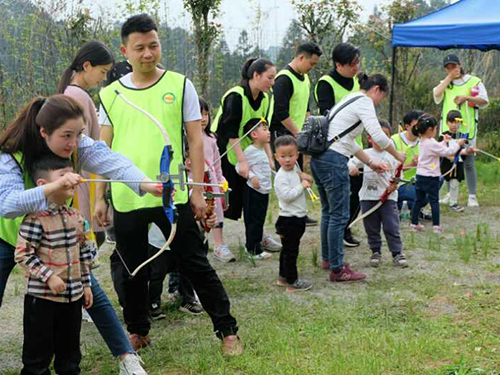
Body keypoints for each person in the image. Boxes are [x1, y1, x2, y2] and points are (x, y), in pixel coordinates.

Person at [97, 14, 241, 355]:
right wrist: (100, 196)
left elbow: (195, 140)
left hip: (171, 192)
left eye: (154, 45)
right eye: (140, 48)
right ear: (125, 51)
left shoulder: (179, 85)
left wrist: (195, 190)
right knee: (134, 269)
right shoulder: (110, 94)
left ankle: (227, 329)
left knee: (194, 261)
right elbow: (103, 150)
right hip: (127, 195)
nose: (148, 54)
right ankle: (138, 329)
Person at [0, 94, 155, 374]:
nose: (74, 143)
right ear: (43, 132)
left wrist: (145, 183)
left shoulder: (77, 145)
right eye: (67, 136)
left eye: (79, 134)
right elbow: (8, 205)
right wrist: (53, 187)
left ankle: (126, 357)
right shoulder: (11, 153)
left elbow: (112, 162)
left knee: (92, 293)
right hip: (7, 237)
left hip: (59, 238)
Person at [310, 73, 406, 282]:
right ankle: (337, 269)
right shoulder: (364, 102)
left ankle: (329, 259)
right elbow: (379, 136)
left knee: (329, 212)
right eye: (381, 96)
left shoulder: (349, 99)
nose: (379, 102)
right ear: (376, 90)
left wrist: (371, 163)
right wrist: (397, 155)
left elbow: (348, 141)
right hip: (334, 160)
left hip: (319, 157)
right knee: (339, 215)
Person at [15, 155, 93, 375]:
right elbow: (23, 254)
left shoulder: (76, 217)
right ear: (43, 185)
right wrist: (49, 276)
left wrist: (85, 285)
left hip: (73, 298)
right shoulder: (35, 219)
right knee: (37, 356)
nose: (72, 180)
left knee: (70, 355)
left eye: (72, 174)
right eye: (62, 176)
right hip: (42, 301)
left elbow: (84, 253)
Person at [211, 57, 281, 253]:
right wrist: (242, 162)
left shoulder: (267, 98)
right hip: (226, 154)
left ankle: (256, 237)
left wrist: (269, 158)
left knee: (254, 200)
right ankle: (218, 244)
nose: (273, 82)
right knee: (222, 201)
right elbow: (231, 133)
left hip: (251, 155)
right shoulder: (236, 96)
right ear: (255, 75)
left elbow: (264, 129)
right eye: (270, 77)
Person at [56, 40, 115, 253]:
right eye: (103, 71)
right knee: (85, 244)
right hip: (83, 178)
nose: (104, 78)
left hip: (81, 177)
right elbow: (84, 145)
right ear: (87, 66)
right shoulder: (77, 95)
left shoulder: (73, 92)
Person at [314, 42, 363, 246]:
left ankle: (346, 228)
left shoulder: (358, 82)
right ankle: (337, 234)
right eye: (352, 64)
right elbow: (328, 118)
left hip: (356, 146)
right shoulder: (325, 84)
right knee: (337, 198)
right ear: (338, 65)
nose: (356, 68)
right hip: (335, 149)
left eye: (358, 63)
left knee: (357, 189)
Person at [270, 42, 322, 227]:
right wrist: (297, 132)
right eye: (312, 63)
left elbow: (305, 106)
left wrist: (307, 129)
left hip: (297, 134)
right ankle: (286, 214)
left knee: (297, 171)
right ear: (301, 57)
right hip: (283, 133)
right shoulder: (283, 79)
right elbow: (281, 112)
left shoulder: (305, 78)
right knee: (286, 174)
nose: (312, 68)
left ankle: (300, 212)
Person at [348, 121, 408, 268]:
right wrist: (352, 169)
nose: (381, 139)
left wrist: (395, 185)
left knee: (391, 226)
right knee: (371, 228)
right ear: (370, 138)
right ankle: (375, 251)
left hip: (388, 199)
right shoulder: (365, 155)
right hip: (367, 198)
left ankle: (397, 253)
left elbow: (399, 175)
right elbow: (350, 163)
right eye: (377, 136)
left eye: (385, 136)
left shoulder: (393, 155)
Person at [432, 54, 489, 207]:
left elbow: (484, 101)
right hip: (448, 132)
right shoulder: (445, 83)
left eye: (454, 66)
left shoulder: (474, 81)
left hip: (466, 129)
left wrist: (467, 98)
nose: (452, 69)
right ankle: (451, 194)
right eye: (448, 68)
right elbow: (436, 95)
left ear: (460, 65)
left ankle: (472, 196)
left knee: (468, 162)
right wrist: (448, 78)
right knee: (449, 162)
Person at [410, 115, 465, 233]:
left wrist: (445, 142)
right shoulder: (430, 143)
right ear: (430, 130)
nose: (436, 131)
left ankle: (414, 223)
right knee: (434, 200)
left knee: (418, 200)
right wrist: (457, 144)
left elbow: (438, 148)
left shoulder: (424, 141)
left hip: (420, 176)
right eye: (435, 128)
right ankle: (436, 226)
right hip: (431, 177)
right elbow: (447, 152)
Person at [274, 135, 313, 291]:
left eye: (291, 155)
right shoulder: (281, 176)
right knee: (291, 252)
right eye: (283, 156)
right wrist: (302, 186)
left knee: (287, 250)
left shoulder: (295, 168)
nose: (287, 160)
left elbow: (304, 178)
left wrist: (303, 177)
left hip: (297, 217)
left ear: (297, 155)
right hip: (289, 219)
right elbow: (286, 196)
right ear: (276, 157)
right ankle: (292, 281)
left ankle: (283, 277)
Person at [200, 98, 235, 263]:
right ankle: (200, 245)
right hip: (196, 184)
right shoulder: (185, 138)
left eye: (206, 114)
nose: (203, 118)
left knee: (216, 213)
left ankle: (219, 245)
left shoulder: (211, 138)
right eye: (199, 114)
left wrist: (221, 181)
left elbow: (217, 163)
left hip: (212, 183)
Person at [236, 119, 274, 259]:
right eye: (264, 129)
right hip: (253, 192)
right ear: (254, 134)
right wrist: (251, 177)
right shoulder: (250, 151)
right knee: (253, 220)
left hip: (263, 191)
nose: (268, 132)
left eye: (268, 129)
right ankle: (253, 249)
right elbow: (238, 167)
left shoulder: (262, 150)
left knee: (260, 219)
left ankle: (256, 245)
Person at [392, 110, 429, 213]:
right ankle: (402, 204)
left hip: (418, 181)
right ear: (407, 126)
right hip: (402, 184)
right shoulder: (394, 141)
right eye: (417, 124)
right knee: (422, 194)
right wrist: (411, 165)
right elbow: (390, 170)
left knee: (438, 180)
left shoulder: (424, 141)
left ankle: (413, 208)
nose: (421, 127)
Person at [439, 110, 475, 212]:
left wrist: (469, 151)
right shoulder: (443, 136)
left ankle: (453, 203)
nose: (455, 125)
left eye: (457, 122)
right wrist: (448, 156)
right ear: (447, 122)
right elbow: (439, 149)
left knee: (454, 184)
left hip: (457, 164)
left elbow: (463, 151)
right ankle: (434, 201)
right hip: (445, 165)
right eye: (452, 122)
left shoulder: (463, 137)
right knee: (440, 183)